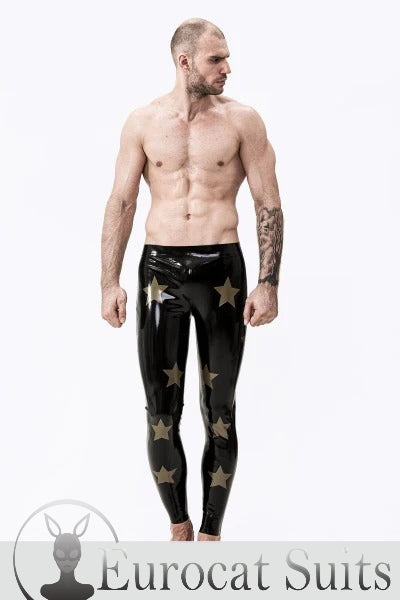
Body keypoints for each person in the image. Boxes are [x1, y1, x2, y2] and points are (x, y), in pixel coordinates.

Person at [100, 17, 284, 542]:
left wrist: (268, 282)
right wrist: (109, 282)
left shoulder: (243, 121)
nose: (227, 68)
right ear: (185, 63)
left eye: (227, 58)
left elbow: (268, 203)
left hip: (222, 268)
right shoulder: (142, 122)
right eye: (215, 59)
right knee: (161, 411)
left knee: (219, 409)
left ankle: (211, 534)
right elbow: (122, 201)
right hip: (159, 270)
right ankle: (179, 526)